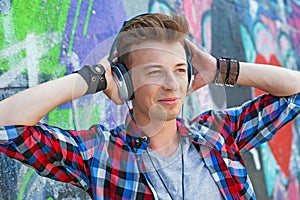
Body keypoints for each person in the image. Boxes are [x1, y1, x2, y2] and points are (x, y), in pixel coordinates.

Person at [0, 13, 300, 200]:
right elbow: (5, 125)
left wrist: (221, 69)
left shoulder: (217, 135)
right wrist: (95, 78)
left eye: (180, 70)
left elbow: (294, 93)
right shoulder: (99, 153)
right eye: (155, 72)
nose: (172, 84)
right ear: (126, 82)